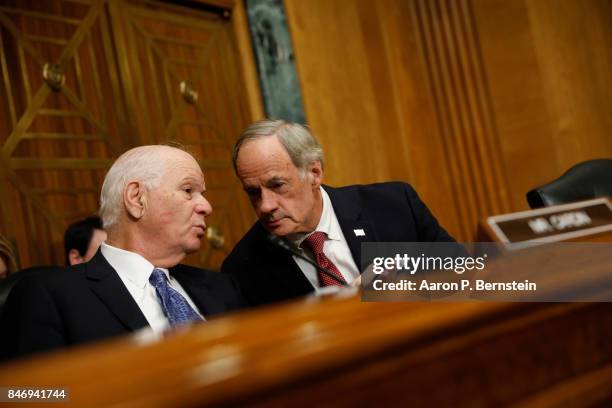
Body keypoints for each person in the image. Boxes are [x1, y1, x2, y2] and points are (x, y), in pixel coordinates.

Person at [1, 145, 245, 361]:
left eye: (202, 194)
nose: (206, 206)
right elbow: (26, 394)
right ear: (136, 198)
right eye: (188, 190)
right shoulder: (49, 295)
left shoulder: (223, 287)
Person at [221, 119, 456, 307]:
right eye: (253, 192)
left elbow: (472, 280)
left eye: (277, 185)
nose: (265, 206)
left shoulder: (392, 206)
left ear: (314, 173)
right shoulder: (244, 268)